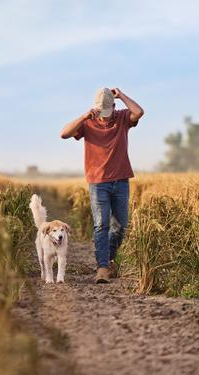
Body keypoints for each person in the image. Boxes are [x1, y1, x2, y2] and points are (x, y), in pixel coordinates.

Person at [60, 88, 144, 283]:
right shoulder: (87, 122)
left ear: (114, 107)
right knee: (101, 225)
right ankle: (102, 268)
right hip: (98, 183)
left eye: (108, 112)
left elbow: (139, 112)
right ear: (95, 108)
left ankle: (109, 258)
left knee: (120, 226)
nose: (105, 117)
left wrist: (122, 95)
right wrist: (84, 116)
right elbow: (64, 134)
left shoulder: (122, 117)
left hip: (121, 180)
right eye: (101, 112)